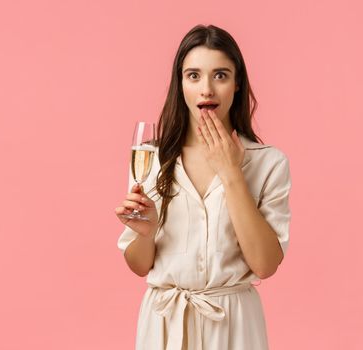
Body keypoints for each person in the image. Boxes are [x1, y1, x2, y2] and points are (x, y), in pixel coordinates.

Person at [115, 24, 291, 350]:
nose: (206, 89)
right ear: (180, 84)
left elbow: (265, 264)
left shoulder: (269, 164)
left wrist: (231, 173)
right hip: (164, 324)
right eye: (193, 76)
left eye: (220, 75)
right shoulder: (150, 158)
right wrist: (146, 232)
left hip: (234, 324)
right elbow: (140, 266)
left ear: (237, 84)